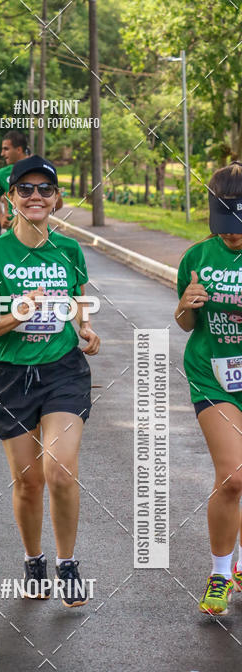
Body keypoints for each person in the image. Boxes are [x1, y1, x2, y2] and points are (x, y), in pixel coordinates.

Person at [0, 155, 100, 606]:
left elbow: (78, 301)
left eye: (45, 189)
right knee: (28, 482)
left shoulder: (70, 251)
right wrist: (16, 312)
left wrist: (84, 328)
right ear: (11, 198)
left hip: (62, 370)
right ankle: (33, 561)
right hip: (8, 375)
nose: (36, 196)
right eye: (25, 189)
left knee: (59, 468)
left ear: (57, 199)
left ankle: (67, 565)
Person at [175, 160, 242, 616]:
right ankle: (221, 573)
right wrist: (185, 305)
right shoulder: (197, 256)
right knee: (234, 476)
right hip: (212, 374)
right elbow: (185, 324)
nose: (231, 234)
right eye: (224, 223)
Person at [0, 130, 30, 230]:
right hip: (13, 231)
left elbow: (57, 203)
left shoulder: (40, 169)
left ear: (19, 150)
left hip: (36, 232)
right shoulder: (2, 174)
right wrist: (1, 218)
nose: (2, 154)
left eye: (6, 149)